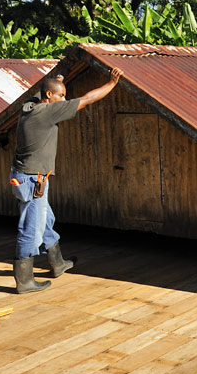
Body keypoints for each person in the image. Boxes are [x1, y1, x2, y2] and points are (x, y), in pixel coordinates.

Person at [9, 67, 124, 293]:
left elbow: (43, 89)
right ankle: (24, 281)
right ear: (49, 96)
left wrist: (59, 80)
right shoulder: (48, 112)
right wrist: (111, 84)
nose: (65, 99)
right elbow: (88, 99)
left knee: (46, 219)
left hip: (26, 178)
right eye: (61, 95)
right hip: (34, 181)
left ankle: (57, 263)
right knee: (31, 228)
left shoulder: (28, 106)